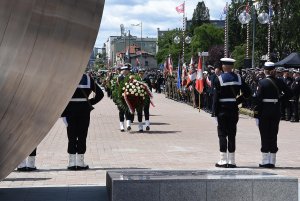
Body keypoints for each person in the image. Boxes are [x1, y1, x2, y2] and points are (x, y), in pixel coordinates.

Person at [212, 58, 251, 168]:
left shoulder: (218, 79)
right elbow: (248, 93)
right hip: (233, 110)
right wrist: (237, 101)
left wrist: (214, 113)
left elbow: (215, 98)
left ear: (224, 66)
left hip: (222, 110)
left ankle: (223, 160)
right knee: (232, 134)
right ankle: (232, 160)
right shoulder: (239, 78)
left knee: (222, 134)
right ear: (232, 66)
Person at [253, 62, 292, 168]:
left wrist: (256, 114)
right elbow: (289, 93)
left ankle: (265, 161)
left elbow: (258, 100)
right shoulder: (279, 81)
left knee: (265, 135)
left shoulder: (262, 82)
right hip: (275, 111)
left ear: (265, 71)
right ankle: (272, 160)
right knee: (273, 135)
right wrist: (279, 99)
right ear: (273, 70)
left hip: (264, 112)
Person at [61, 73, 104, 170]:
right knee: (82, 134)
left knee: (71, 134)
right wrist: (89, 102)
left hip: (70, 109)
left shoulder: (67, 77)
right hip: (84, 109)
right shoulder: (88, 78)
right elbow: (100, 94)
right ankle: (80, 162)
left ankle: (71, 162)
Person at [116, 64, 134, 132]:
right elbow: (117, 87)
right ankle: (121, 126)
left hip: (129, 96)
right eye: (126, 70)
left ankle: (128, 125)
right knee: (121, 111)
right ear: (123, 71)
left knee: (128, 110)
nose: (127, 71)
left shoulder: (130, 77)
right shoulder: (119, 77)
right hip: (121, 96)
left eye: (127, 70)